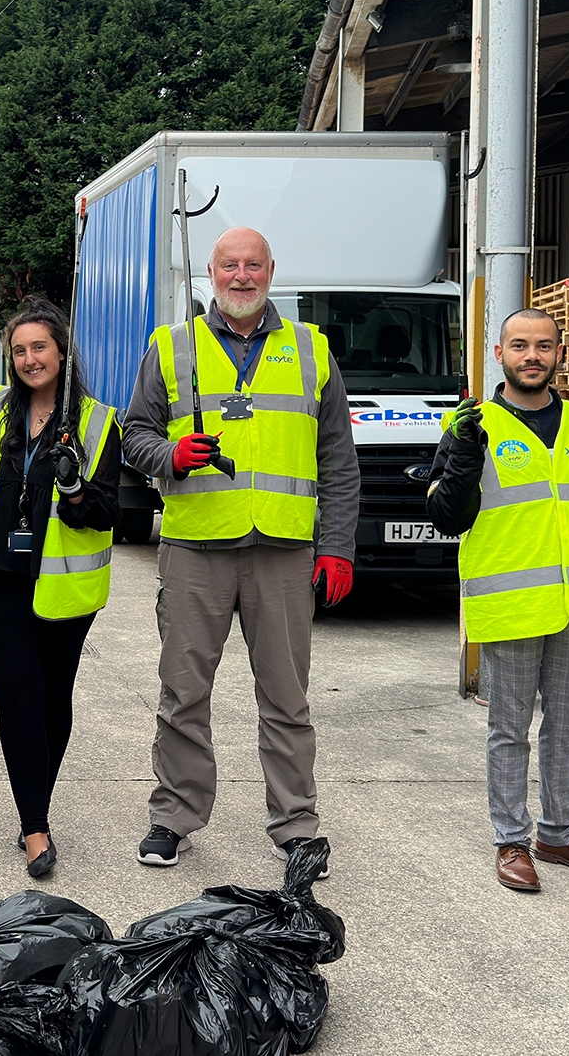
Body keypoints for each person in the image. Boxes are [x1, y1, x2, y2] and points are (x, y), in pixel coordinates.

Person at [121, 226, 359, 871]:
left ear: (272, 271)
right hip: (196, 547)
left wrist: (336, 545)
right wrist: (170, 456)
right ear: (211, 272)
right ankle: (173, 815)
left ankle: (296, 823)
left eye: (253, 264)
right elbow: (132, 435)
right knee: (183, 690)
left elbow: (338, 457)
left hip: (283, 550)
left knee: (286, 696)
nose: (242, 276)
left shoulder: (311, 349)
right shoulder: (172, 346)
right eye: (230, 265)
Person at [427, 308, 569, 892]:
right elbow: (447, 518)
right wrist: (465, 459)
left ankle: (559, 833)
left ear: (559, 355)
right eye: (519, 345)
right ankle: (510, 840)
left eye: (543, 346)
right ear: (499, 354)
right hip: (512, 606)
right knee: (509, 729)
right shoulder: (470, 424)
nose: (532, 356)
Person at [0, 298, 121, 878]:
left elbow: (105, 512)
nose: (28, 359)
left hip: (63, 588)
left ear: (63, 352)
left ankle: (33, 806)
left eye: (39, 347)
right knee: (18, 692)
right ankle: (35, 826)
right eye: (18, 350)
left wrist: (74, 488)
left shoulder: (97, 421)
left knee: (54, 699)